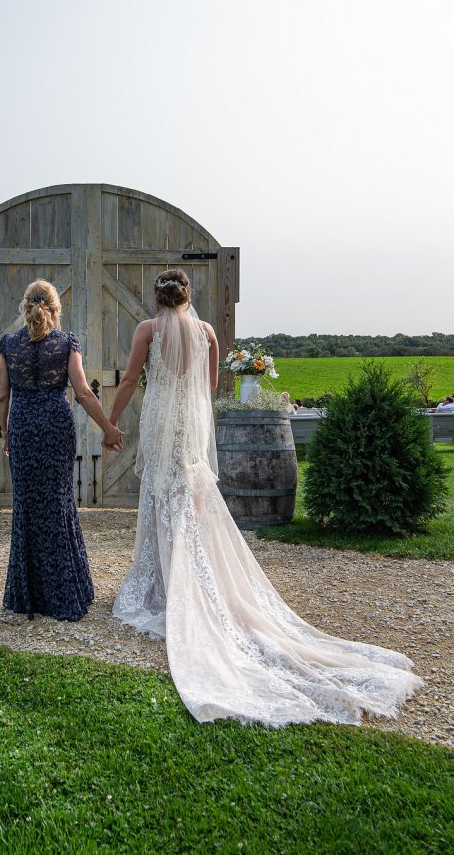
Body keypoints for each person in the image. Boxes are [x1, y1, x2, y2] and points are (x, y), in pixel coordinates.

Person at [107, 268, 422, 726]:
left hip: (162, 423)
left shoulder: (148, 330)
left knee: (164, 498)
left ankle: (167, 586)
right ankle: (194, 580)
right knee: (192, 503)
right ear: (188, 296)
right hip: (192, 427)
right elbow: (212, 387)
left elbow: (132, 380)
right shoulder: (207, 332)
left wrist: (112, 423)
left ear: (157, 299)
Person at [0, 279, 123, 622]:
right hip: (55, 426)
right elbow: (82, 392)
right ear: (56, 309)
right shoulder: (66, 343)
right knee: (58, 502)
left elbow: (2, 396)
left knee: (26, 507)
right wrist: (108, 428)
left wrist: (6, 432)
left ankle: (27, 596)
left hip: (22, 426)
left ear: (25, 307)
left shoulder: (8, 344)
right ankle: (66, 591)